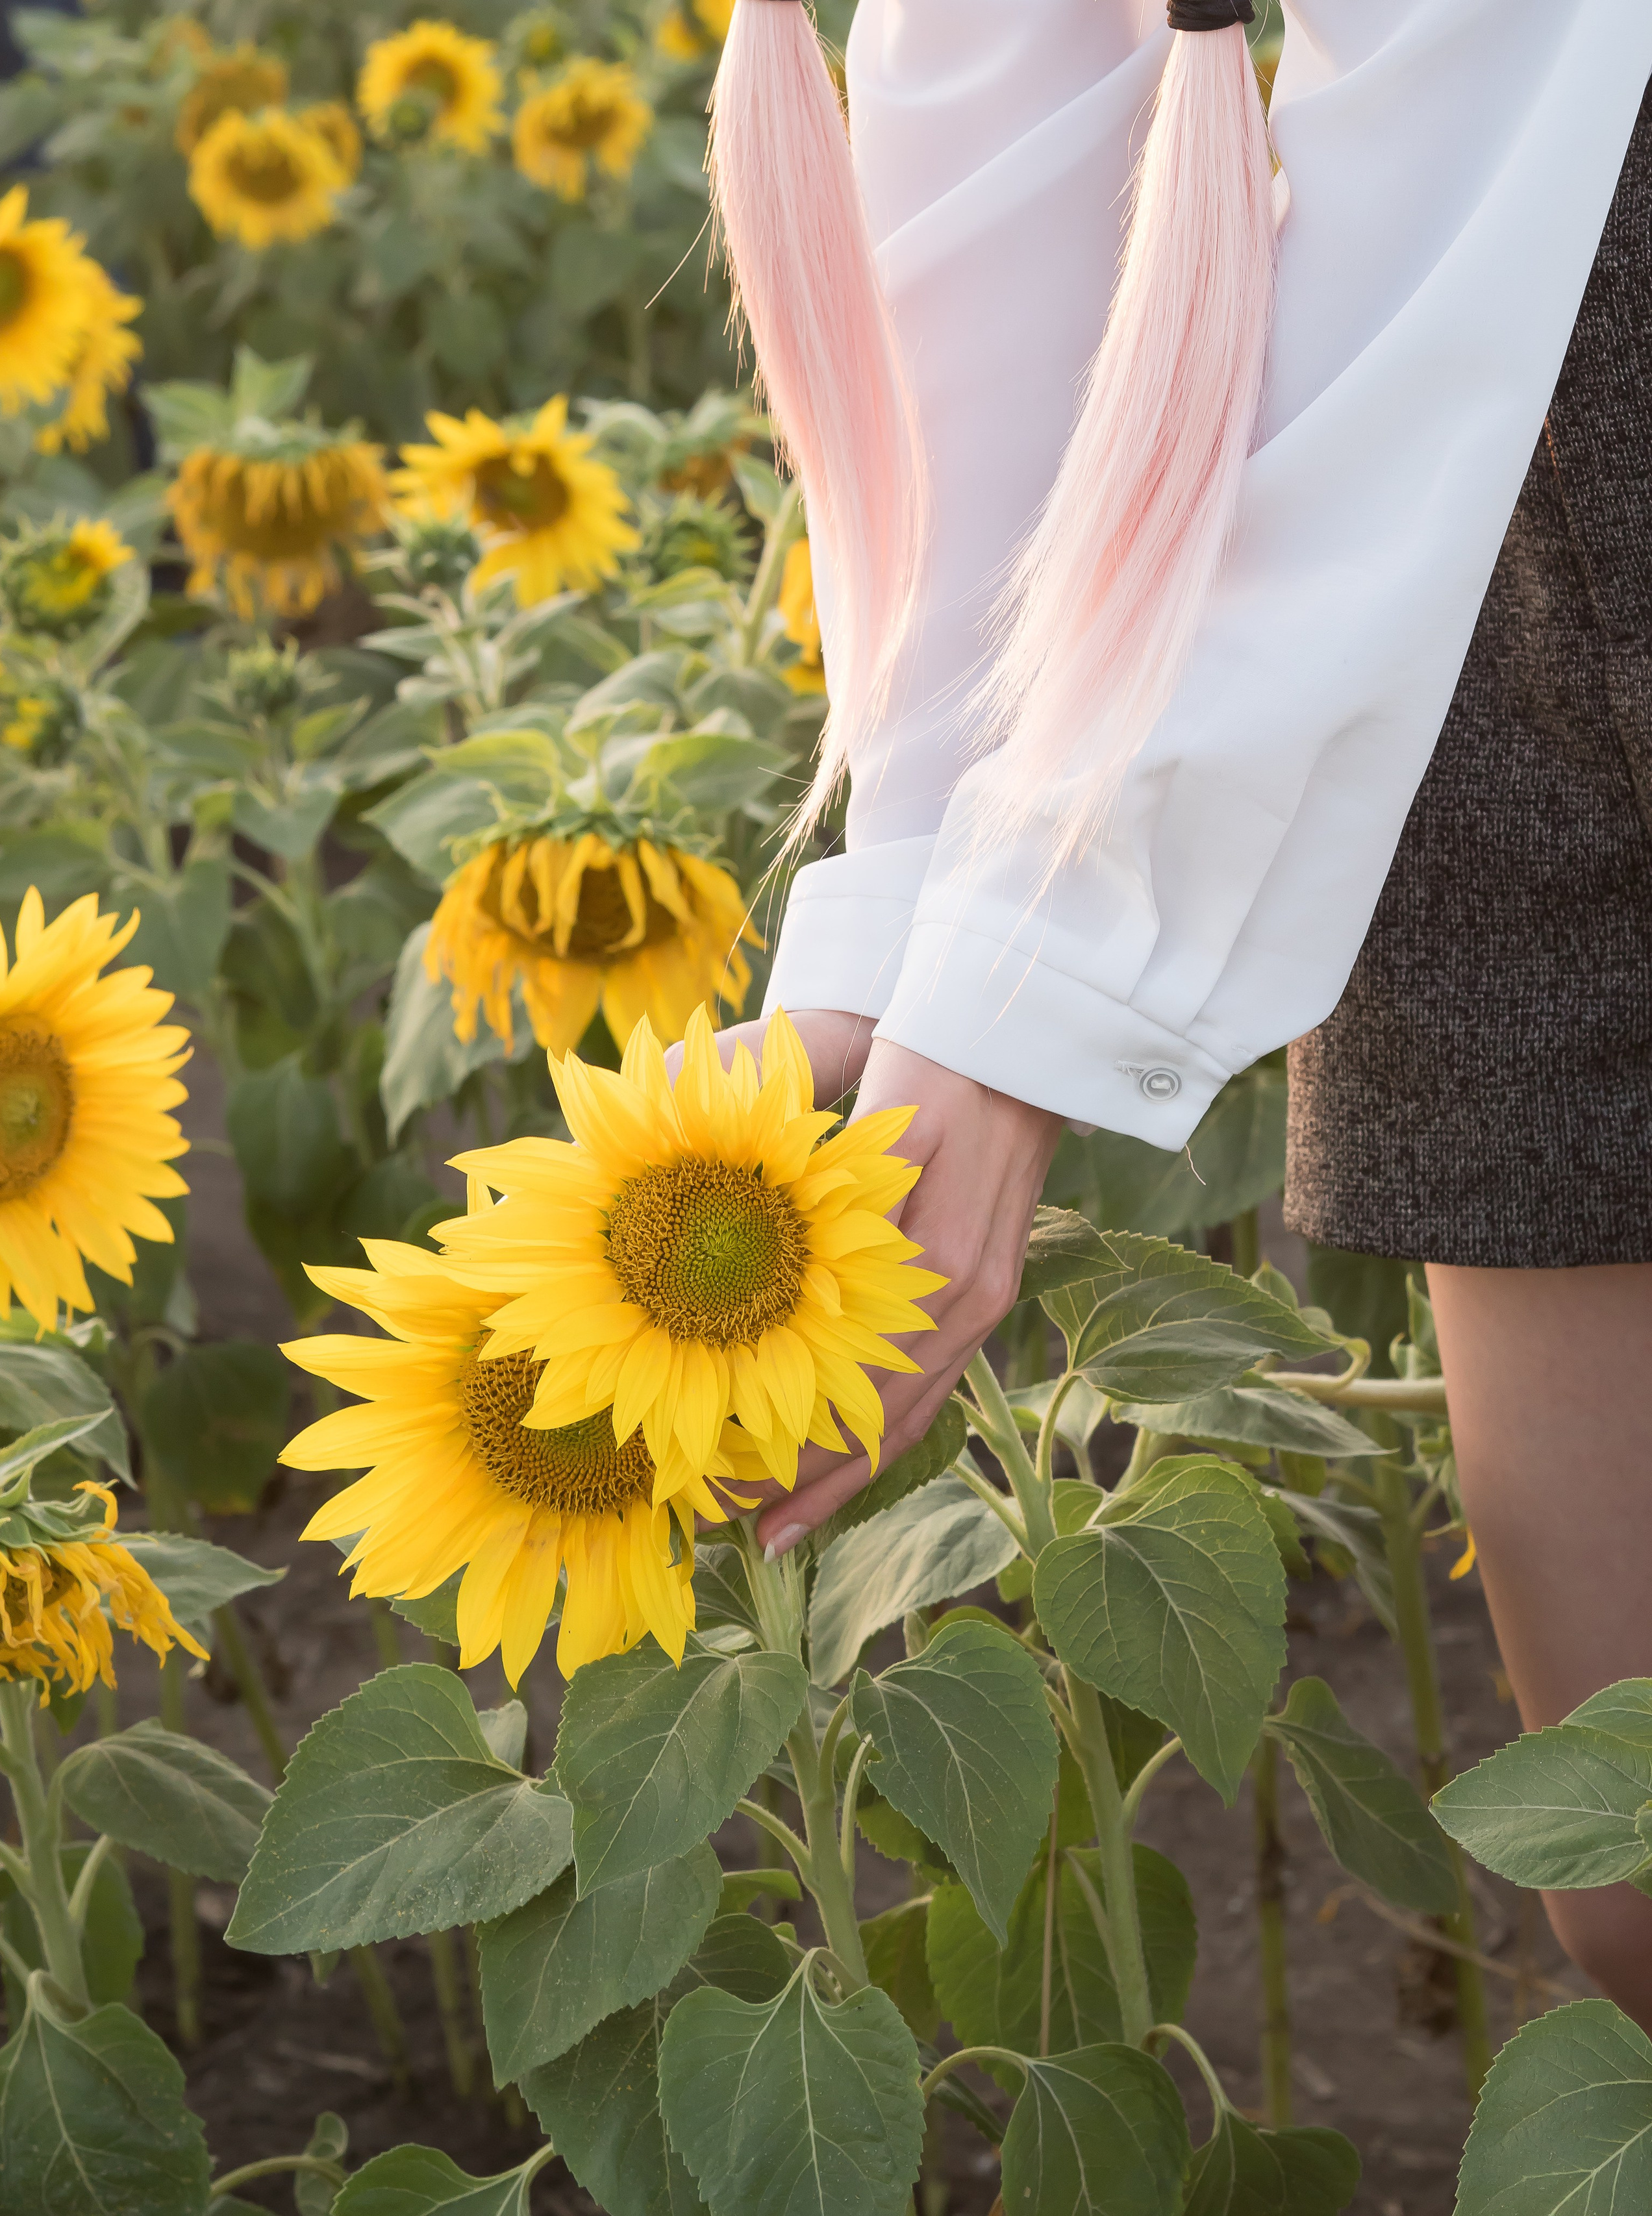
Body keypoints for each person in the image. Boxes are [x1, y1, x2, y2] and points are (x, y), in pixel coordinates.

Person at [697, 0, 1652, 2026]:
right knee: (1633, 1886)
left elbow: (1479, 81)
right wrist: (928, 891)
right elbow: (1012, 78)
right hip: (1446, 577)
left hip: (1434, 385)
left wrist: (1043, 953)